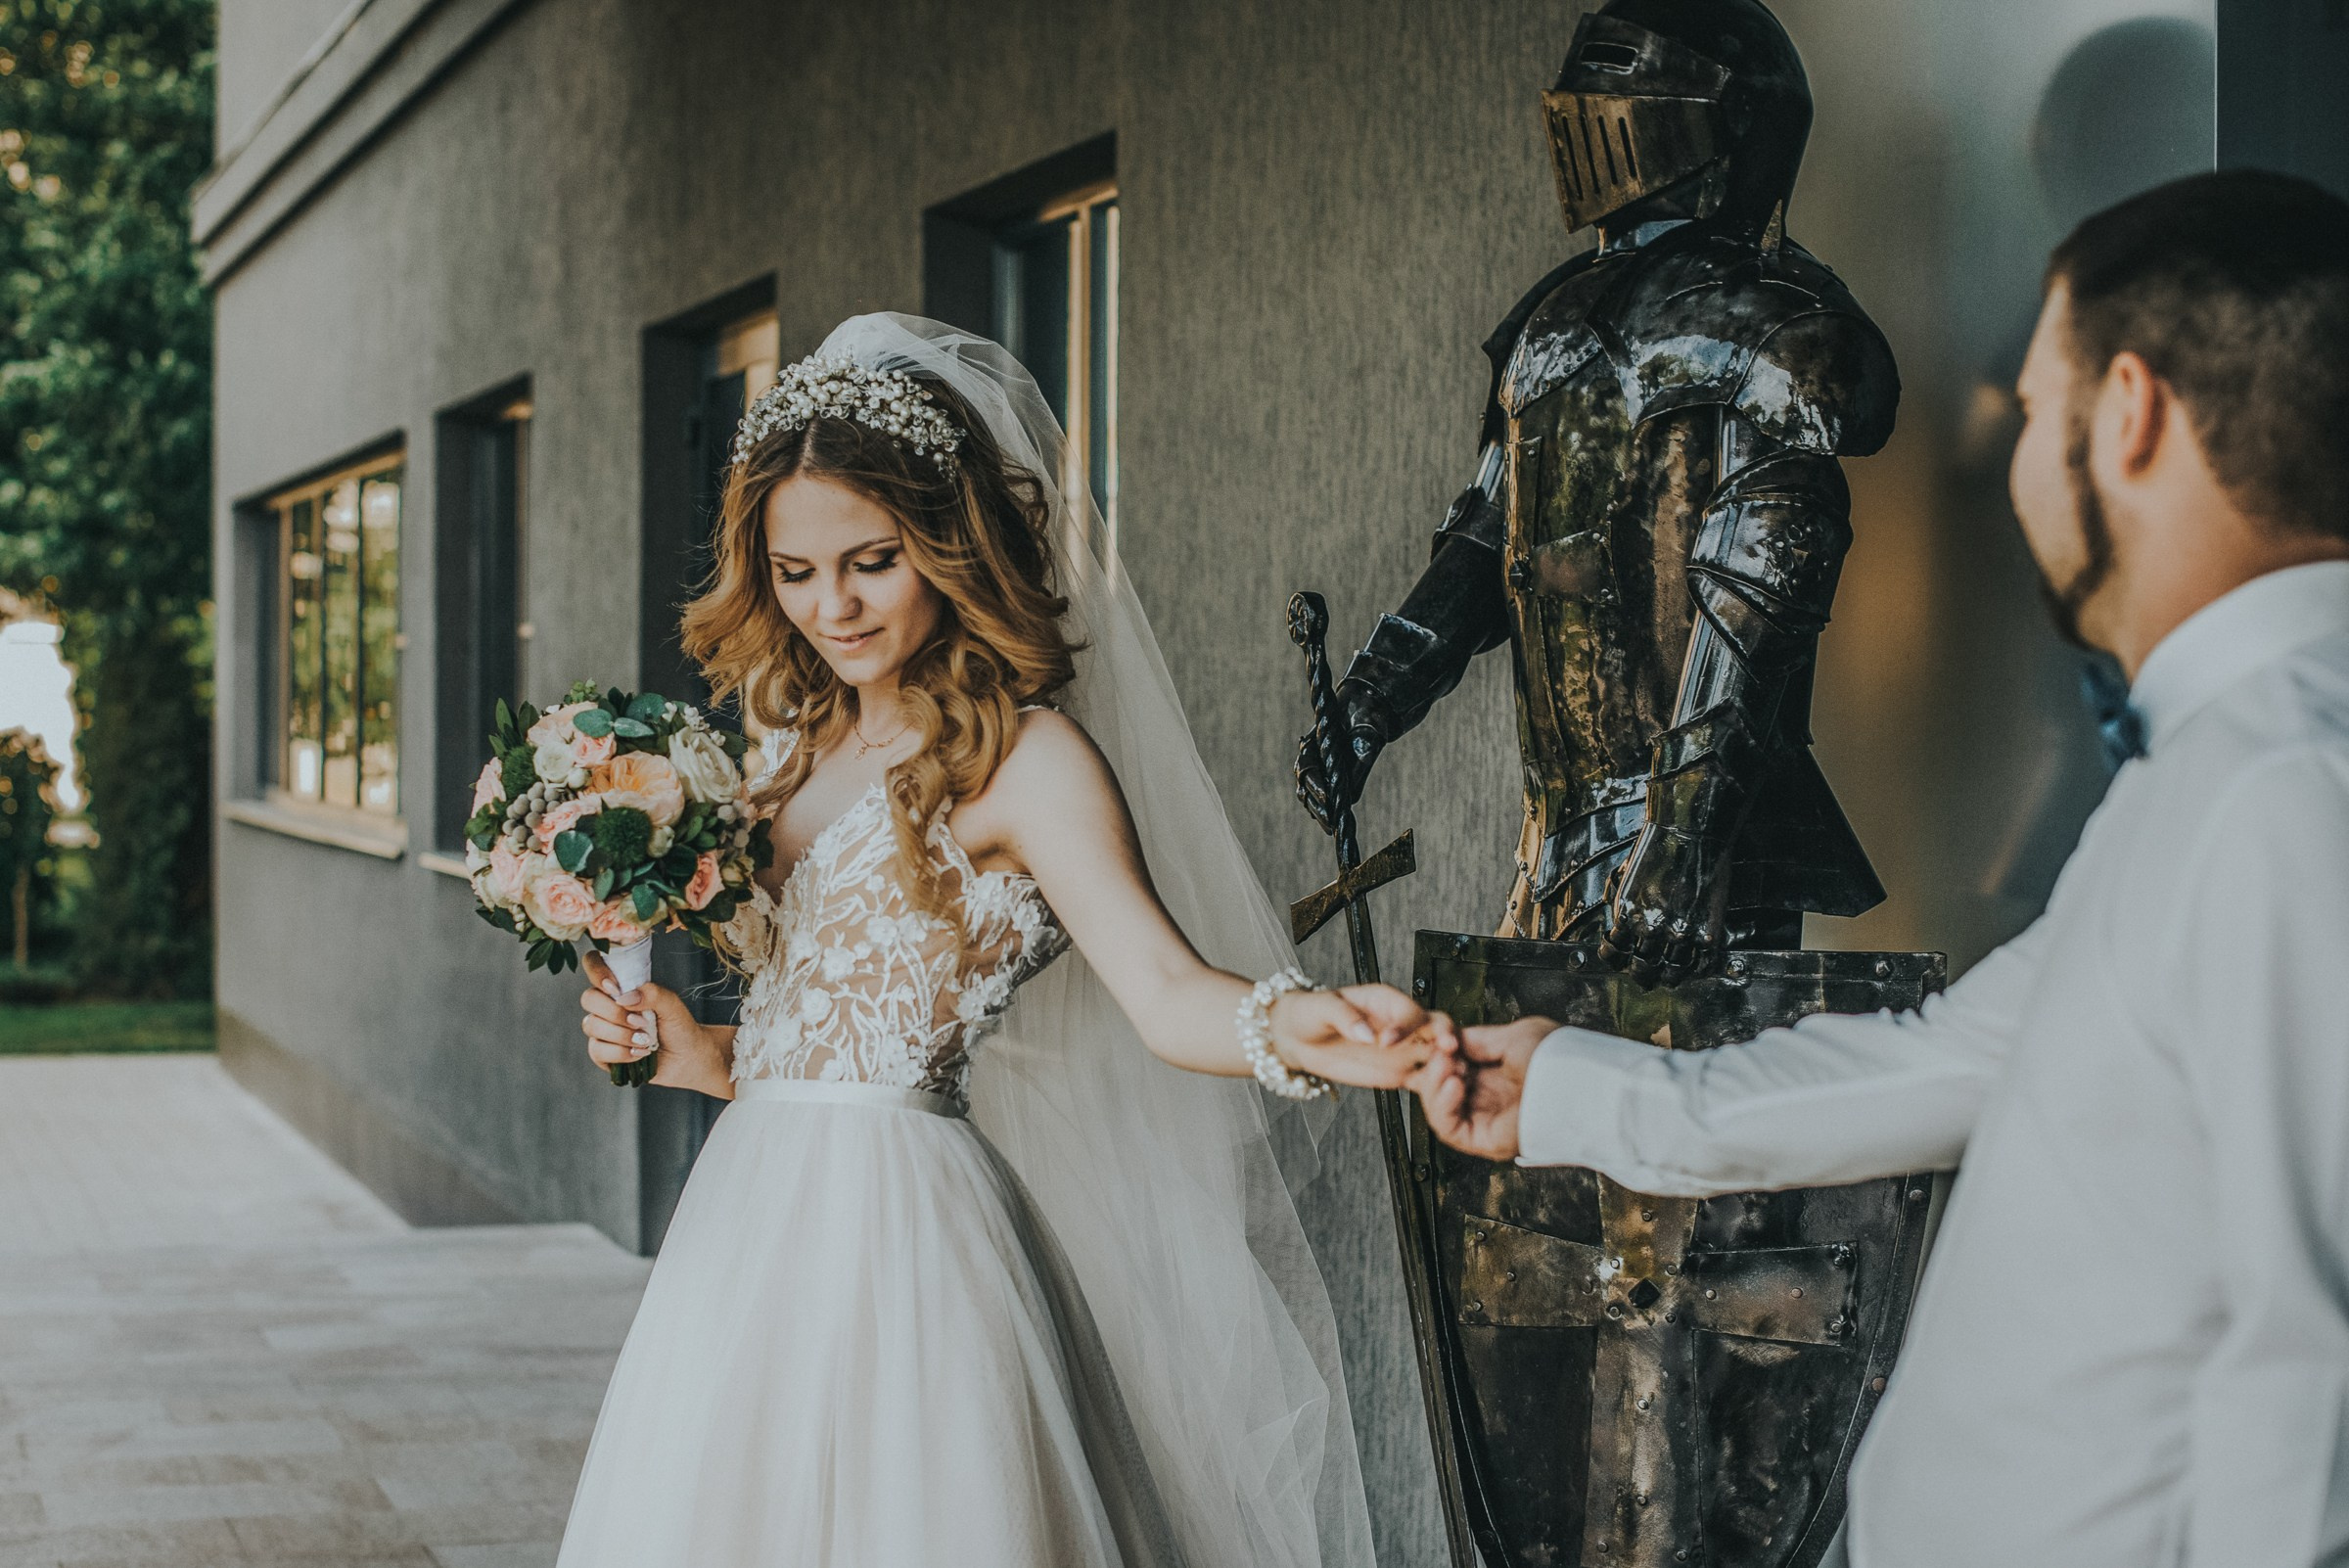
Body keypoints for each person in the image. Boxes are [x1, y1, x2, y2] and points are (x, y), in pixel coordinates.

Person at [1416, 167, 2349, 1566]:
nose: (2011, 459)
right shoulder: (2221, 778)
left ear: (2136, 413)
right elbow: (1942, 1065)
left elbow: (2313, 1376)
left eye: (2037, 411)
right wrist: (1556, 1083)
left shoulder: (2285, 793)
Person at [553, 315, 1433, 1567]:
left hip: (908, 1244)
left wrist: (1309, 1027)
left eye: (873, 560)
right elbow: (821, 1034)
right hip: (745, 1232)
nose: (834, 606)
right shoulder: (784, 751)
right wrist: (700, 1054)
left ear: (950, 546)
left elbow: (1170, 992)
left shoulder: (1027, 760)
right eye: (797, 573)